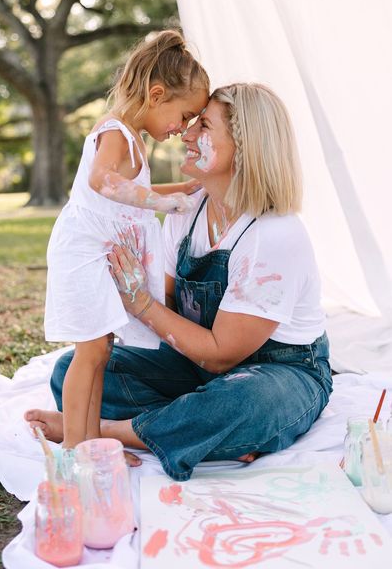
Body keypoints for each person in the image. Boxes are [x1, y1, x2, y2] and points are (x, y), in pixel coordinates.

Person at [26, 82, 332, 481]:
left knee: (242, 404)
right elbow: (171, 312)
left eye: (203, 124)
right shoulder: (185, 211)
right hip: (196, 364)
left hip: (279, 373)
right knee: (73, 368)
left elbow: (222, 355)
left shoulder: (273, 234)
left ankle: (108, 433)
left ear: (245, 145)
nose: (185, 134)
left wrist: (141, 304)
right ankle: (197, 432)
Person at [40, 30, 209, 457]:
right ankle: (79, 450)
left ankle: (91, 441)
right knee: (91, 349)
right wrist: (159, 202)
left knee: (103, 348)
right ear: (156, 94)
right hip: (84, 252)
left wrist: (187, 188)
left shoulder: (135, 140)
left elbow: (133, 187)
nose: (182, 128)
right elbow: (103, 181)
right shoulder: (114, 131)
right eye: (184, 115)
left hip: (104, 254)